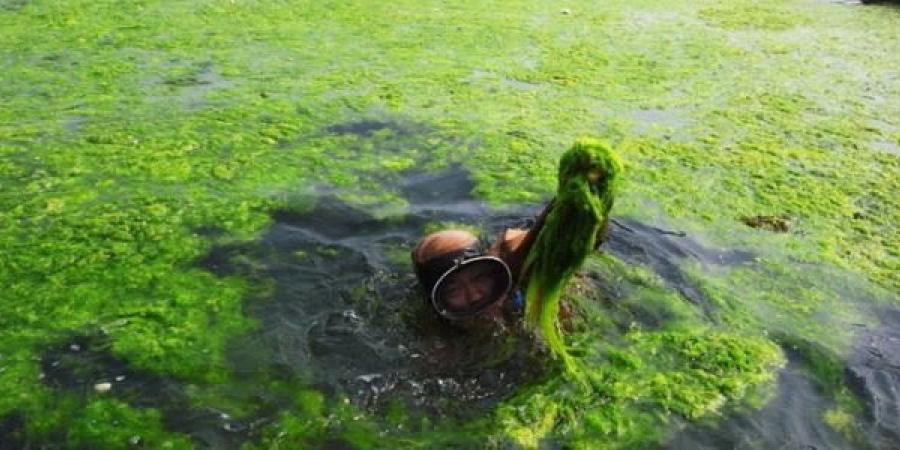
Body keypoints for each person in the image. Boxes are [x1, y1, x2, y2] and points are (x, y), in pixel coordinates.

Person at [411, 205, 553, 322]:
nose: (475, 296)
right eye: (454, 290)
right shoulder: (434, 336)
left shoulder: (517, 266)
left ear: (494, 272)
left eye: (479, 277)